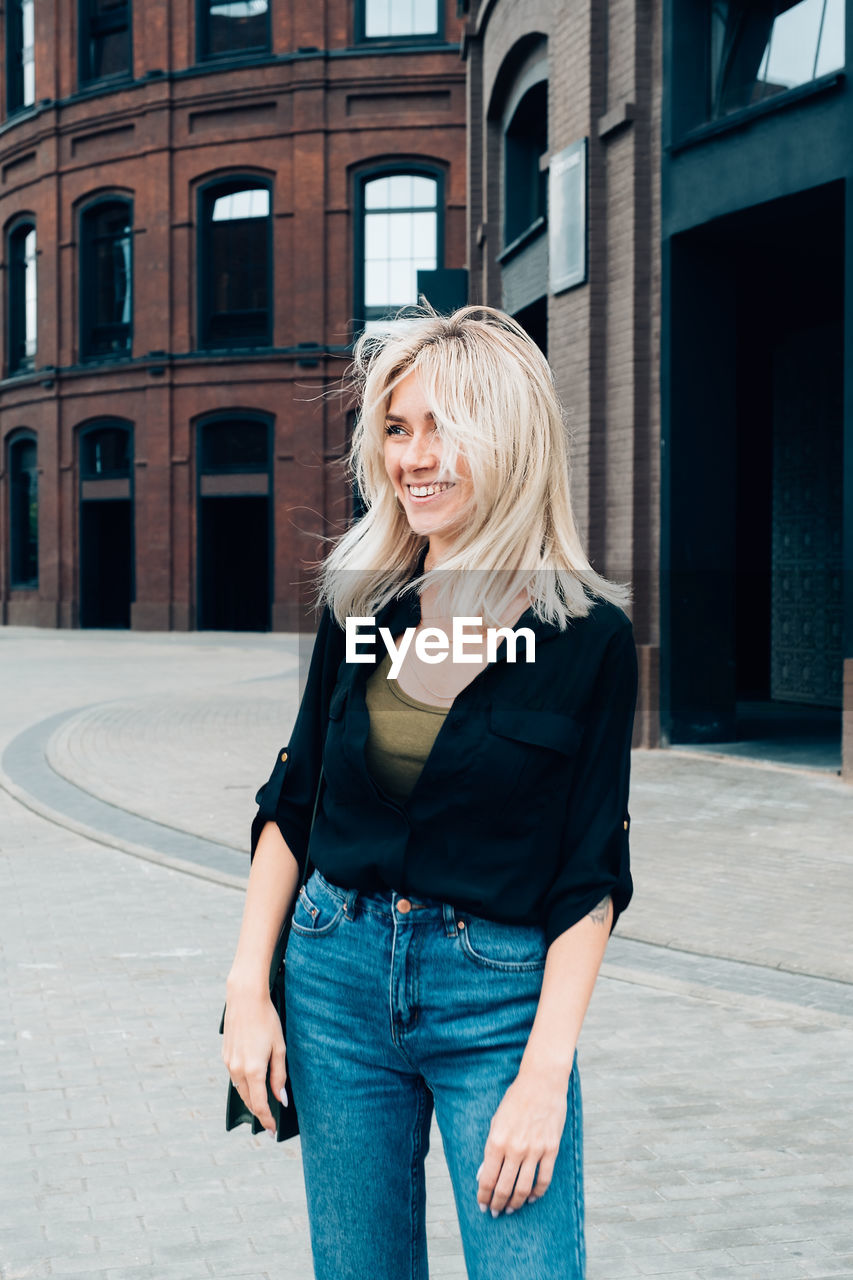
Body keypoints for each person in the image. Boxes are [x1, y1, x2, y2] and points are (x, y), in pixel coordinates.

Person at [222, 302, 638, 1280]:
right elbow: (294, 802)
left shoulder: (587, 640)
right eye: (397, 428)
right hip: (334, 977)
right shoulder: (362, 604)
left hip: (492, 993)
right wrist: (247, 989)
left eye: (442, 425)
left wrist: (545, 1074)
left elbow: (591, 873)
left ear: (509, 438)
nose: (413, 456)